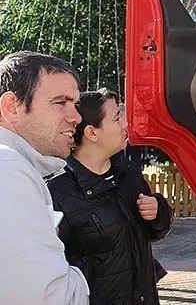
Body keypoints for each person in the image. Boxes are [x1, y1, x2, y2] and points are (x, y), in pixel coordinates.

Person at [48, 89, 173, 305]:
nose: (125, 124)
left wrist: (157, 212)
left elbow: (154, 232)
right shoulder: (58, 191)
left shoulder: (127, 172)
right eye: (117, 118)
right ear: (92, 133)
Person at [0, 51, 90, 305]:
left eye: (75, 105)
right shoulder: (10, 168)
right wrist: (77, 278)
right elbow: (48, 297)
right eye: (60, 103)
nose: (76, 118)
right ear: (12, 107)